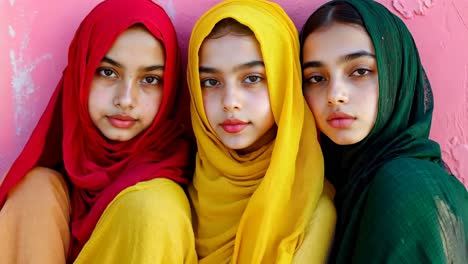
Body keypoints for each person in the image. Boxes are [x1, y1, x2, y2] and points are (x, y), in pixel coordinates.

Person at [0, 0, 196, 262]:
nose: (126, 99)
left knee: (151, 208)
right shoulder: (44, 192)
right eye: (107, 72)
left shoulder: (158, 204)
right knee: (33, 188)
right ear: (80, 74)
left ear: (170, 87)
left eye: (150, 79)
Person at [300, 0, 468, 262]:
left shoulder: (409, 189)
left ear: (396, 74)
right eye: (316, 78)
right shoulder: (342, 182)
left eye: (360, 71)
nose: (335, 95)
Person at [186, 0, 336, 263]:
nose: (230, 101)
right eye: (210, 82)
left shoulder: (308, 209)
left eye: (252, 78)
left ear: (284, 82)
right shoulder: (179, 190)